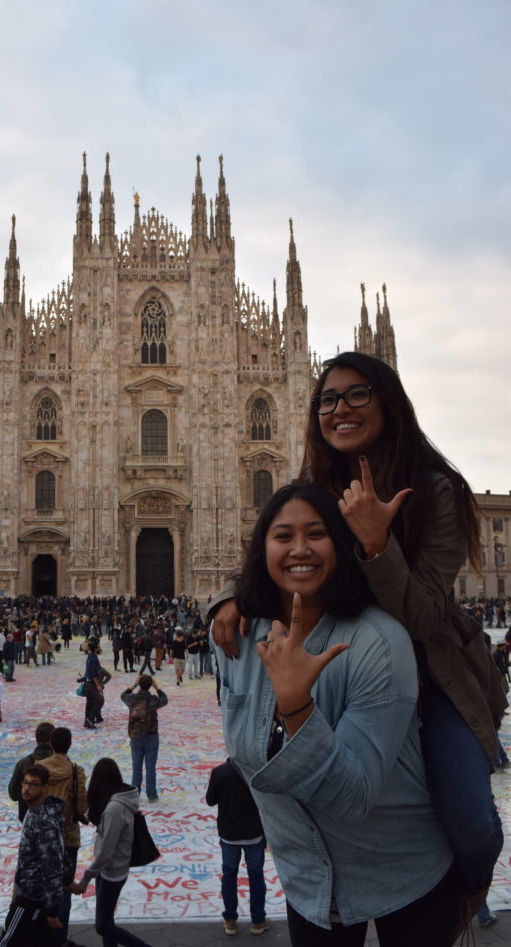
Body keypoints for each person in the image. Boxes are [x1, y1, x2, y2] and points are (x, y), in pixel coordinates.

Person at [211, 351, 506, 910]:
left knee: (471, 821)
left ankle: (464, 896)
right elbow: (276, 549)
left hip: (428, 669)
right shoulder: (317, 482)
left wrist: (376, 543)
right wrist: (228, 596)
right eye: (327, 399)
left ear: (389, 403)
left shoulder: (438, 489)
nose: (340, 409)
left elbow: (421, 618)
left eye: (357, 395)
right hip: (346, 658)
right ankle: (329, 907)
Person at [212, 482, 460, 947]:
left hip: (401, 871)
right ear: (262, 549)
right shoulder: (236, 637)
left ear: (340, 545)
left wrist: (297, 705)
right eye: (283, 535)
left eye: (317, 534)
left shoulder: (378, 642)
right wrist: (229, 598)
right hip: (309, 884)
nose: (299, 548)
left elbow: (352, 795)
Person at [70, 758, 165, 947]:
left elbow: (105, 854)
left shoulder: (114, 808)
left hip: (112, 871)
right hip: (111, 870)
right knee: (106, 921)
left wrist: (85, 879)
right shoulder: (119, 800)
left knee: (103, 925)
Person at [0, 764, 66, 947]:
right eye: (25, 783)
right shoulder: (36, 812)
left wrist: (52, 908)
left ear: (45, 788)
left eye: (33, 785)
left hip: (32, 899)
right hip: (40, 899)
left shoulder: (42, 821)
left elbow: (52, 864)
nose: (26, 789)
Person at [206, 757, 270, 936]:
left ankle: (231, 920)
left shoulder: (220, 772)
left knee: (229, 875)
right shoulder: (256, 773)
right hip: (253, 832)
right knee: (256, 875)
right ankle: (258, 921)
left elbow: (210, 800)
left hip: (229, 833)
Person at [40, 726, 89, 947]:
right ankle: (60, 940)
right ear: (69, 745)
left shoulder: (39, 769)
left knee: (43, 884)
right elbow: (81, 807)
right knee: (65, 888)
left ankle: (41, 936)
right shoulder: (76, 771)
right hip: (67, 836)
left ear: (50, 744)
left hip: (43, 836)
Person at [120, 674, 168, 802]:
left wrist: (134, 685)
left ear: (140, 684)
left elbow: (123, 695)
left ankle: (135, 794)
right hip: (151, 735)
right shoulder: (153, 700)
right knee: (150, 767)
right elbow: (165, 699)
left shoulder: (132, 698)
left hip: (136, 735)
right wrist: (157, 688)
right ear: (150, 685)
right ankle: (151, 795)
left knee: (136, 766)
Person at [8, 721, 56, 822]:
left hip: (28, 818)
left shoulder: (24, 763)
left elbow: (13, 794)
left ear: (36, 739)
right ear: (52, 741)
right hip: (55, 818)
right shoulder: (63, 763)